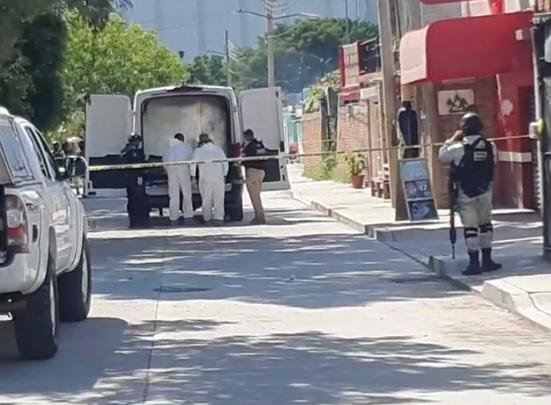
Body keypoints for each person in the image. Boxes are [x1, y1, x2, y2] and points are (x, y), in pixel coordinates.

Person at [439, 112, 501, 276]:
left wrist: (452, 139)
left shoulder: (457, 148)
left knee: (471, 228)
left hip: (465, 193)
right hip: (485, 191)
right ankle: (487, 260)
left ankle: (474, 263)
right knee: (485, 225)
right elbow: (493, 163)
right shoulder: (490, 146)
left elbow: (442, 156)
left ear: (463, 129)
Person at [191, 133, 228, 225]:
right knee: (219, 199)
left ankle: (207, 219)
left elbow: (193, 165)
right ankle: (219, 218)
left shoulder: (198, 151)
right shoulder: (219, 150)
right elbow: (225, 163)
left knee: (206, 199)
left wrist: (193, 177)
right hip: (218, 178)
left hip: (205, 178)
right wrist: (224, 175)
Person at [163, 133, 194, 225]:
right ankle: (188, 215)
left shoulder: (168, 149)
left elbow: (164, 162)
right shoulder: (187, 148)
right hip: (183, 170)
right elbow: (192, 162)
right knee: (187, 194)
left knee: (173, 195)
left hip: (171, 171)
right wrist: (192, 175)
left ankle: (173, 216)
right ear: (182, 139)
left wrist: (168, 171)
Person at [121, 133, 148, 228]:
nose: (139, 143)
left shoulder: (125, 151)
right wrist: (140, 176)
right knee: (137, 200)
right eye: (138, 141)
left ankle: (134, 221)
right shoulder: (133, 151)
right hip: (134, 179)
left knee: (132, 201)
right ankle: (138, 221)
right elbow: (139, 164)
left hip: (130, 179)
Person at [242, 129, 267, 225]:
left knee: (255, 197)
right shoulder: (260, 144)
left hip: (253, 171)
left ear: (247, 136)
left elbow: (245, 159)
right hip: (261, 171)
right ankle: (259, 216)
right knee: (257, 195)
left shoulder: (249, 147)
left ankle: (260, 217)